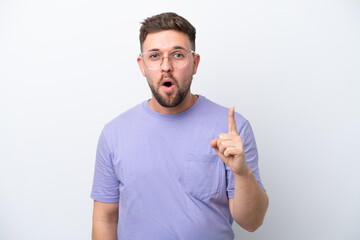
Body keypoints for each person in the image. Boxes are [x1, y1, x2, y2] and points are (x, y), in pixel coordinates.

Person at [91, 12, 269, 240]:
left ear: (194, 63)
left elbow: (252, 223)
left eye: (177, 55)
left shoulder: (232, 129)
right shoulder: (114, 134)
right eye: (155, 56)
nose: (166, 66)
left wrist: (242, 173)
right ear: (142, 65)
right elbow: (105, 218)